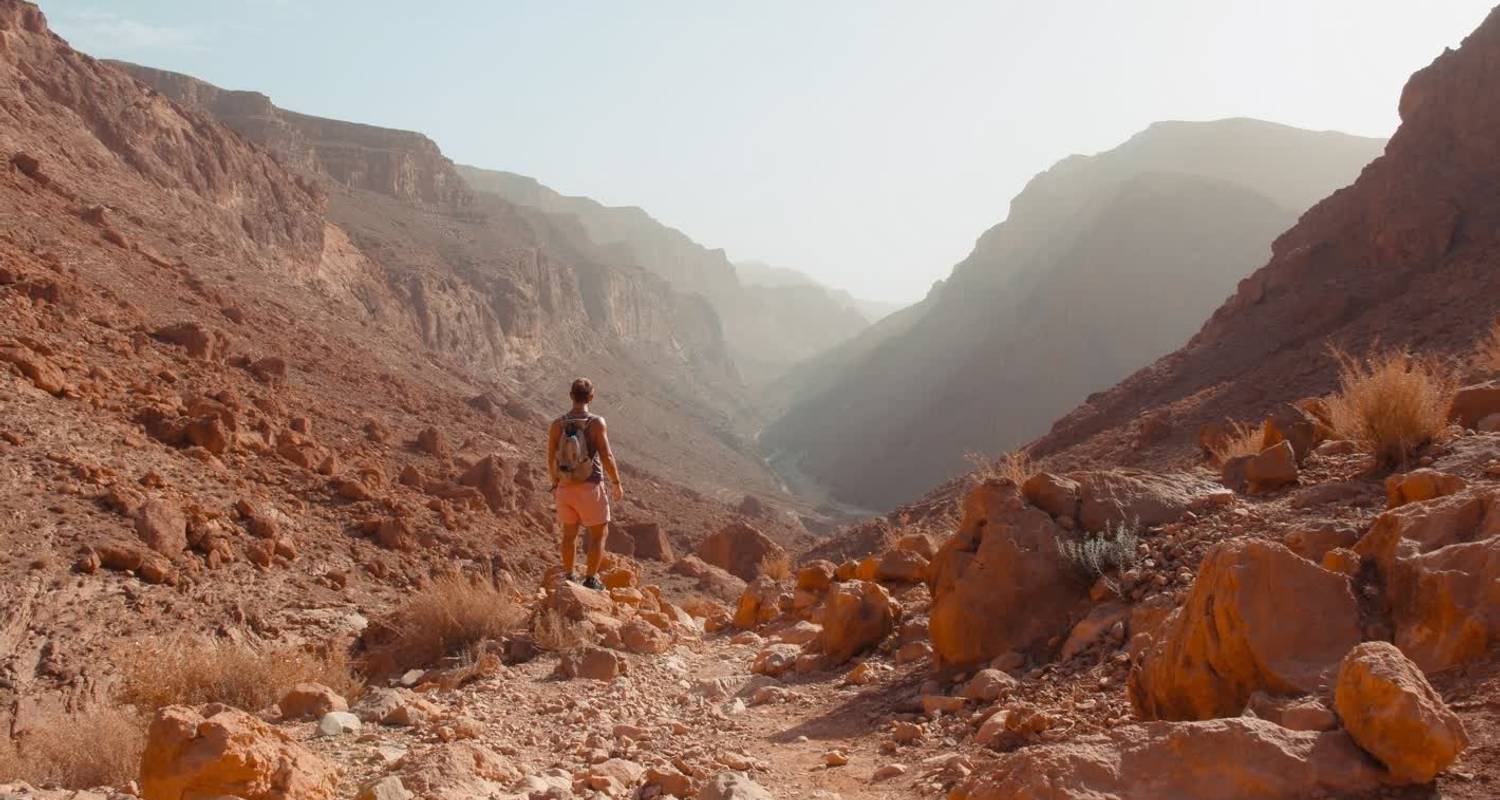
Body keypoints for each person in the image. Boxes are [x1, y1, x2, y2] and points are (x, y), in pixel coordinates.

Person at [546, 377, 624, 590]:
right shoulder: (596, 423)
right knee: (598, 534)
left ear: (571, 396)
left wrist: (555, 482)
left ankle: (569, 576)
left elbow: (551, 457)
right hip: (590, 487)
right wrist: (616, 482)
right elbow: (606, 455)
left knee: (569, 535)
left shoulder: (557, 424)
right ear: (591, 397)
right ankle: (591, 579)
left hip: (564, 488)